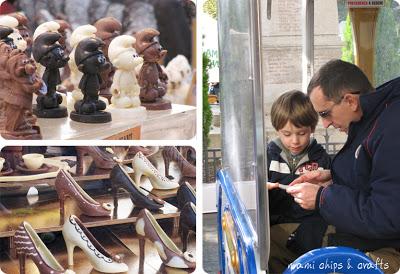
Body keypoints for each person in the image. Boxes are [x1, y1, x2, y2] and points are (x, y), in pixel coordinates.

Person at [286, 59, 400, 273]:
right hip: (365, 237)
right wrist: (332, 178)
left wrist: (322, 198)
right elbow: (375, 176)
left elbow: (387, 215)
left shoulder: (392, 128)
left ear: (350, 101)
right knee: (276, 239)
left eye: (325, 114)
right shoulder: (372, 117)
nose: (326, 124)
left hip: (387, 252)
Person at [266, 90, 331, 271]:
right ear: (277, 129)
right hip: (276, 224)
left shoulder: (322, 159)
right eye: (286, 134)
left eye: (301, 133)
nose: (294, 141)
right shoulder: (268, 156)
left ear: (312, 128)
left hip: (308, 227)